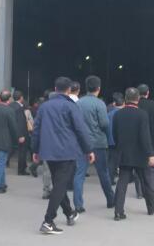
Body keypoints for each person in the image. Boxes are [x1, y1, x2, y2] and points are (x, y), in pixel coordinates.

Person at [32, 77, 93, 235]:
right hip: (67, 151)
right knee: (60, 185)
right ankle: (48, 220)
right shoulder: (71, 106)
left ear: (55, 88)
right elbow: (80, 129)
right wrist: (88, 150)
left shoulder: (44, 107)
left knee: (59, 183)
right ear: (69, 90)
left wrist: (35, 150)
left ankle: (69, 213)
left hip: (49, 152)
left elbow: (37, 129)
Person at [112, 87, 154, 221]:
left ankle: (118, 211)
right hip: (140, 154)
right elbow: (144, 136)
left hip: (124, 153)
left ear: (125, 99)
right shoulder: (142, 114)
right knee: (145, 181)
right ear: (138, 99)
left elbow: (114, 134)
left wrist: (120, 147)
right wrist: (150, 154)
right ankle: (151, 207)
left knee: (122, 182)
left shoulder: (118, 114)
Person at [76, 75, 115, 211]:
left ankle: (78, 205)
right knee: (103, 173)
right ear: (99, 88)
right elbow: (104, 123)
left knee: (79, 174)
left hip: (82, 143)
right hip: (98, 142)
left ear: (86, 87)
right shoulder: (100, 104)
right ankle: (111, 200)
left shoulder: (78, 103)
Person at [0, 89, 19, 193]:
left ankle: (2, 184)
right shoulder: (9, 110)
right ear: (9, 99)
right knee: (0, 163)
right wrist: (16, 140)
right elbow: (13, 127)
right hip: (4, 141)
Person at [137, 84, 154, 194]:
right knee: (152, 167)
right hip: (150, 139)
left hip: (136, 140)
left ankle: (140, 192)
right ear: (148, 93)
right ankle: (151, 191)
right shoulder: (152, 105)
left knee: (138, 166)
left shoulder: (135, 104)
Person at [10, 90, 31, 176]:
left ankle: (22, 167)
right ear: (21, 98)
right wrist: (21, 135)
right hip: (21, 133)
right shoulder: (19, 108)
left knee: (13, 149)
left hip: (12, 132)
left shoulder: (10, 105)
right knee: (22, 152)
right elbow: (20, 122)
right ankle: (21, 170)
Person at [106, 92, 124, 184]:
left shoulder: (109, 114)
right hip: (122, 141)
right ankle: (125, 178)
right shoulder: (124, 114)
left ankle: (110, 179)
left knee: (111, 161)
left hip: (110, 141)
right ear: (123, 103)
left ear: (114, 104)